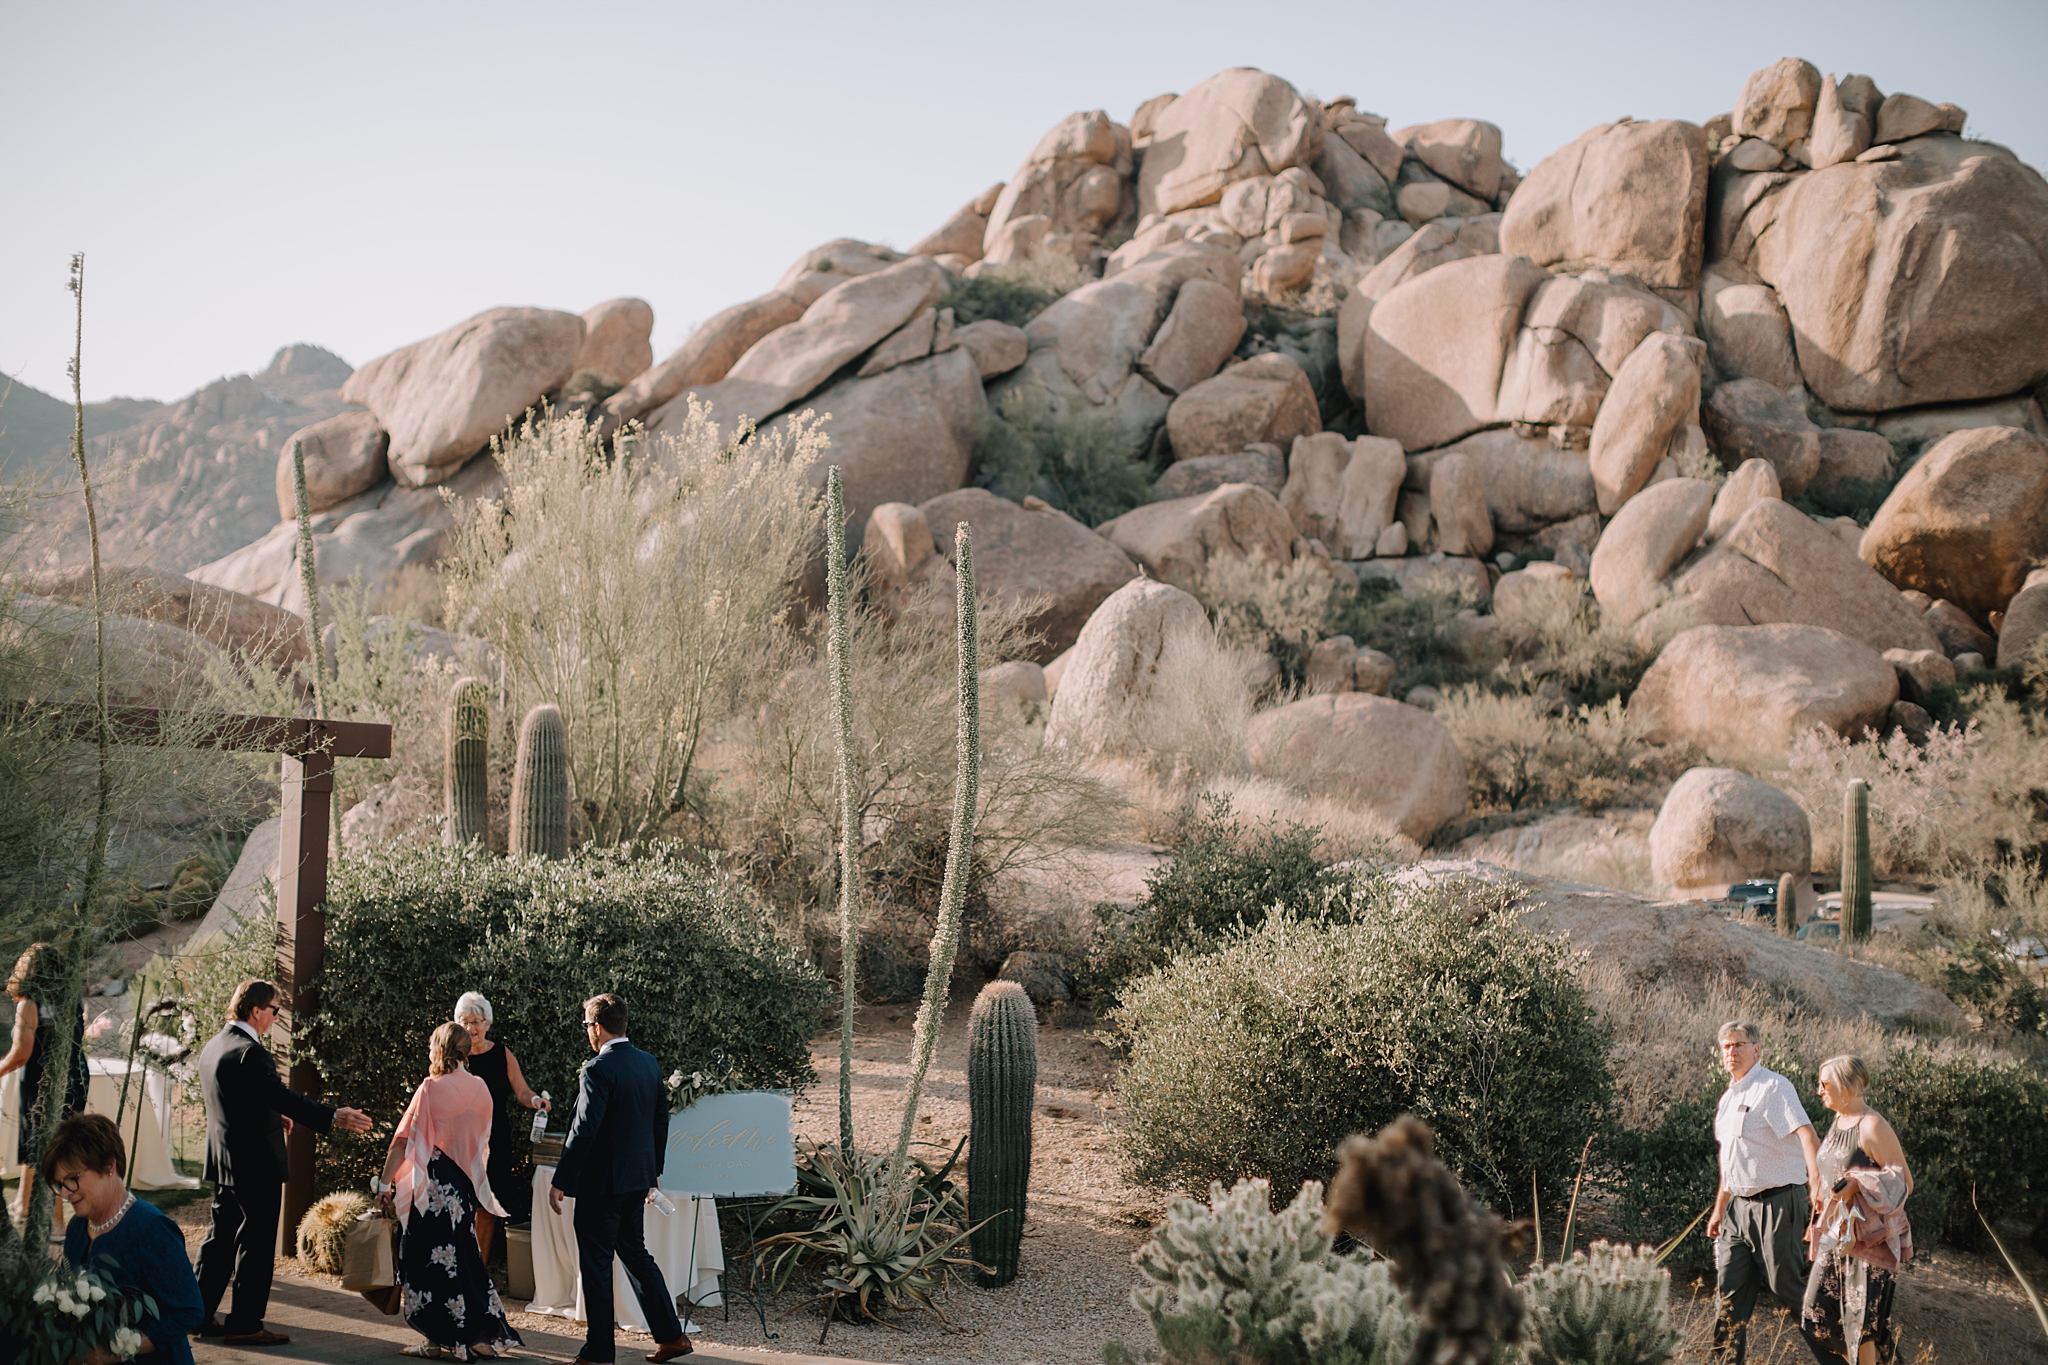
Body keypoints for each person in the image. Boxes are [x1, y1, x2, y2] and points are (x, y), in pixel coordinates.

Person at [193, 979, 373, 1347]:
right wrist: (333, 1116)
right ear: (256, 1010)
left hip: (225, 1159)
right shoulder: (251, 1052)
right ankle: (244, 1324)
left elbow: (240, 1097)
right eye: (275, 1009)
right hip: (255, 1163)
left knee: (220, 1237)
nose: (276, 1016)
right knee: (256, 1243)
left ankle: (197, 1313)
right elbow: (277, 1094)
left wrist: (273, 1117)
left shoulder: (216, 1045)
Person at [547, 993, 692, 1365]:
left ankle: (599, 1352)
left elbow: (584, 1129)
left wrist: (562, 1177)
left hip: (601, 1185)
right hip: (636, 1179)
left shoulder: (597, 1069)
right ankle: (673, 1337)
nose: (587, 1033)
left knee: (596, 1265)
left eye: (586, 1026)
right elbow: (661, 1120)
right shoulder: (648, 1063)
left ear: (597, 1028)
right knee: (635, 1254)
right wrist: (653, 1172)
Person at [376, 1021, 524, 1361]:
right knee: (463, 1259)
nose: (428, 1050)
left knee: (426, 1261)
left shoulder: (430, 1088)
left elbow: (401, 1143)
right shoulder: (482, 1089)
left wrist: (385, 1185)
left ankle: (434, 1340)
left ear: (441, 1049)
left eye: (431, 1044)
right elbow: (480, 1143)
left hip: (432, 1187)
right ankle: (474, 1333)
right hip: (464, 1186)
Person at [1706, 1021, 1823, 1364]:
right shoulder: (1728, 1098)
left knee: (1789, 1290)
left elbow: (1806, 1135)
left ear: (1756, 1049)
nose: (1732, 1052)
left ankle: (1848, 1357)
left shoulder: (1774, 1087)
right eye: (1726, 1047)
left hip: (1778, 1205)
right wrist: (1719, 1210)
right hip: (1736, 1212)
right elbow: (1731, 1160)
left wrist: (1815, 1185)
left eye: (1739, 1045)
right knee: (1729, 1295)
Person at [48, 1113, 204, 1365]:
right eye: (60, 1184)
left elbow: (188, 1311)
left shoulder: (151, 1230)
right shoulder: (77, 1228)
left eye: (73, 1179)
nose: (65, 1193)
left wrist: (119, 1350)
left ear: (109, 1166)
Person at [1801, 1055, 1913, 1365]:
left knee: (1861, 1324)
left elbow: (1905, 1183)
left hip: (1868, 1241)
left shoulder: (1872, 1125)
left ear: (1847, 1086)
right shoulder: (1839, 1121)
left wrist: (1857, 1183)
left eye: (1824, 1084)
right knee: (1815, 1313)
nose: (1819, 1090)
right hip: (1837, 1237)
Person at [452, 991, 550, 1259]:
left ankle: (478, 1271)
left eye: (476, 1021)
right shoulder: (451, 1056)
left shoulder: (502, 1054)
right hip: (458, 1142)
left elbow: (521, 1091)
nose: (471, 1028)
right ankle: (456, 1270)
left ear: (488, 1024)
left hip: (495, 1141)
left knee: (485, 1207)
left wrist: (535, 1101)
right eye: (464, 1021)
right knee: (458, 1205)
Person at [1, 942, 89, 1224]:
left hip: (42, 1082)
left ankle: (56, 1224)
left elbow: (21, 1053)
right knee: (47, 1144)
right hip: (75, 1077)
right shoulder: (71, 999)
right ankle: (24, 1205)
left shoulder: (29, 1003)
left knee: (46, 1148)